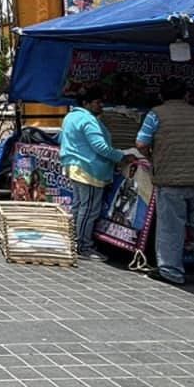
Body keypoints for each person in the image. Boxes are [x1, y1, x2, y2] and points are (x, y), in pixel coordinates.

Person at [137, 78, 194, 286]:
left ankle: (171, 271)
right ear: (187, 95)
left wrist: (152, 157)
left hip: (170, 179)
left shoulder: (155, 114)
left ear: (161, 96)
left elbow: (141, 143)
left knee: (171, 227)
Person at [58, 84, 129, 260]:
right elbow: (101, 147)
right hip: (88, 169)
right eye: (97, 102)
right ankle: (83, 246)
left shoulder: (70, 116)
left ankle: (74, 241)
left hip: (76, 166)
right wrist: (121, 157)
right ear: (86, 103)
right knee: (89, 210)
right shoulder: (88, 120)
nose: (101, 105)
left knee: (79, 207)